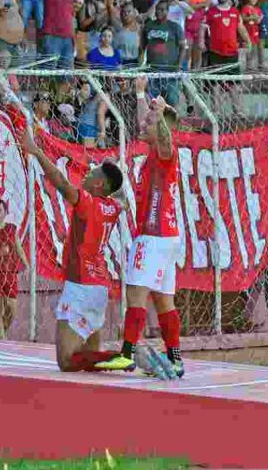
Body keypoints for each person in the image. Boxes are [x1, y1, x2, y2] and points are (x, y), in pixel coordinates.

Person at [95, 78, 184, 377]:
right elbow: (147, 123)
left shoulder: (165, 152)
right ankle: (175, 359)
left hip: (154, 236)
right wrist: (141, 93)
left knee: (136, 293)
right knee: (163, 299)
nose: (142, 124)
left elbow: (164, 136)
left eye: (150, 122)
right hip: (167, 238)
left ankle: (126, 354)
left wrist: (159, 115)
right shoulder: (155, 154)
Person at [20, 125, 127, 373]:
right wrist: (111, 172)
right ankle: (110, 358)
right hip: (100, 285)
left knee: (66, 361)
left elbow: (60, 182)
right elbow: (121, 197)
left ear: (99, 185)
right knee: (87, 357)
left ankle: (120, 356)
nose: (87, 175)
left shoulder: (88, 202)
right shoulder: (113, 207)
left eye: (92, 174)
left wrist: (36, 151)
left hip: (80, 284)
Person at [0, 198, 28, 339]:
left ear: (5, 212)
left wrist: (26, 264)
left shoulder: (11, 229)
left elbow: (18, 247)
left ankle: (2, 330)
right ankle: (2, 340)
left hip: (10, 272)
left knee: (12, 307)